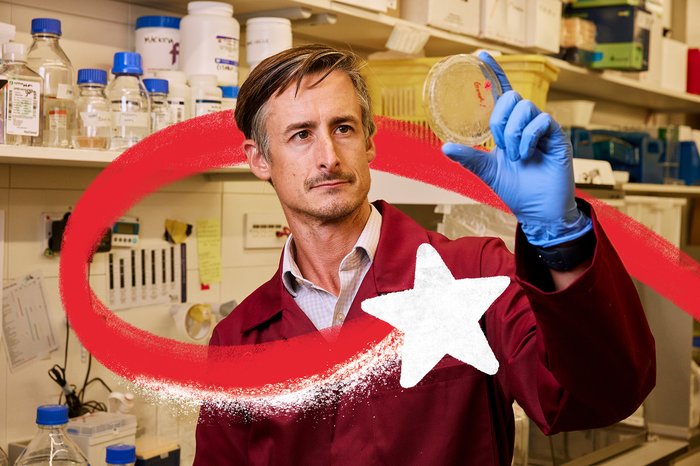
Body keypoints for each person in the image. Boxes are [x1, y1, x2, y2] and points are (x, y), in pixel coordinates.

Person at [194, 44, 655, 465]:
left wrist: (561, 237)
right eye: (300, 135)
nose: (329, 156)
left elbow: (601, 396)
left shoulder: (476, 276)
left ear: (370, 141)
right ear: (258, 159)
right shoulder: (238, 341)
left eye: (343, 128)